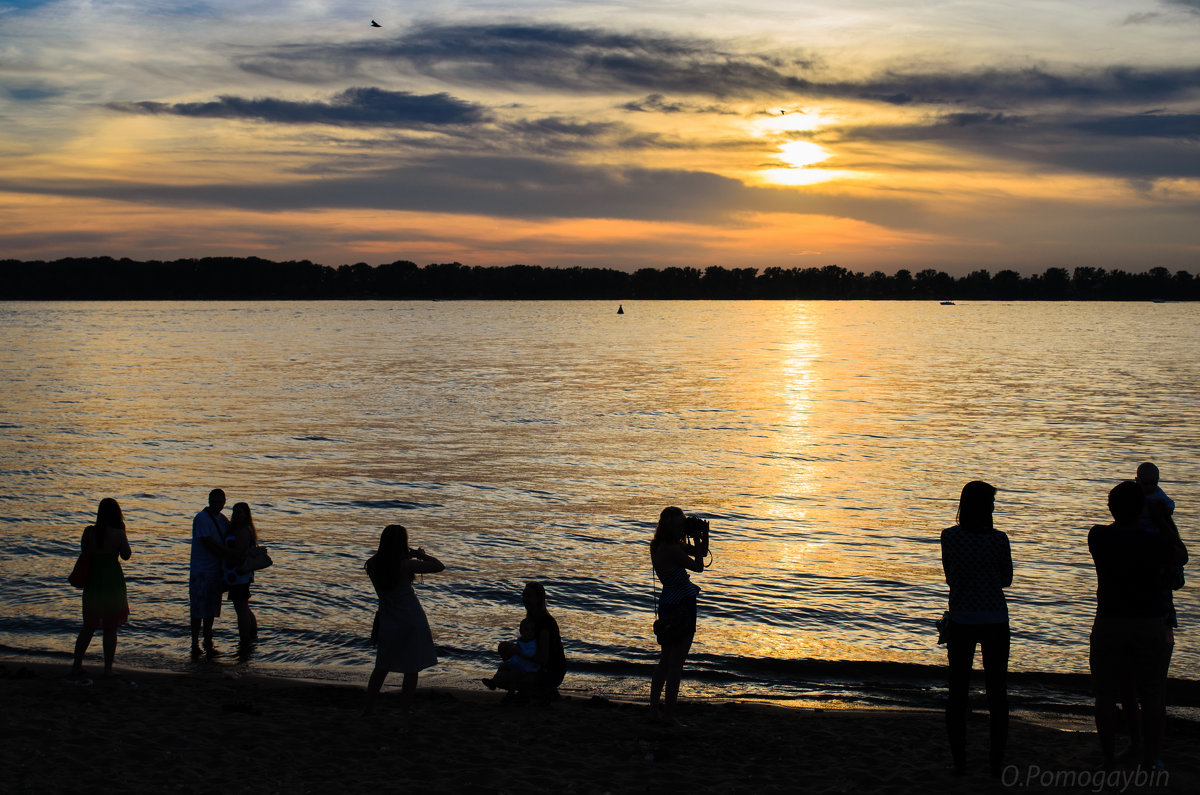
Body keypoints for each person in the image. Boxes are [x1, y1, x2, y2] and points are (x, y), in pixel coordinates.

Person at [1089, 480, 1187, 771]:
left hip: (1109, 622)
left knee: (1106, 695)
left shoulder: (1098, 537)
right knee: (1153, 694)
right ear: (1142, 509)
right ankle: (1151, 759)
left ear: (1111, 509)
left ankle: (1109, 757)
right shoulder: (1154, 541)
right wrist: (1164, 519)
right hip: (1150, 624)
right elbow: (1181, 554)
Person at [940, 481, 1012, 776]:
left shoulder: (949, 537)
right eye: (991, 504)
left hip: (961, 619)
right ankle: (996, 762)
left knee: (958, 692)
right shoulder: (999, 539)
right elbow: (1006, 579)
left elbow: (949, 577)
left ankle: (960, 763)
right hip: (995, 619)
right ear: (985, 508)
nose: (994, 508)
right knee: (997, 693)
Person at [1117, 463, 1185, 762]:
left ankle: (1137, 745)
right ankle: (1150, 754)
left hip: (1124, 619)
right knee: (1153, 691)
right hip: (1159, 619)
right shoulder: (1162, 540)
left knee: (1130, 688)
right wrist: (1168, 528)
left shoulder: (1114, 538)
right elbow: (1177, 578)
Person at [363, 524, 444, 714]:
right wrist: (420, 555)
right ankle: (404, 710)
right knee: (411, 667)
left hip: (388, 617)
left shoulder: (372, 564)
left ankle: (368, 708)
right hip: (411, 617)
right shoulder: (404, 564)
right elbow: (439, 566)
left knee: (381, 666)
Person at [649, 506, 708, 725]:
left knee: (665, 662)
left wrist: (700, 537)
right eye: (678, 525)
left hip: (667, 604)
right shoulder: (672, 549)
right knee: (676, 664)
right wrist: (699, 538)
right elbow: (699, 565)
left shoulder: (658, 545)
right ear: (668, 526)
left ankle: (654, 711)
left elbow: (697, 552)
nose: (681, 528)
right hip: (682, 606)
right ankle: (669, 716)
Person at [71, 498, 132, 679]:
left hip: (93, 582)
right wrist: (123, 532)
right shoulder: (118, 534)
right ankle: (107, 669)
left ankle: (76, 666)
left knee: (88, 627)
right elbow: (126, 555)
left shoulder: (89, 532)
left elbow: (85, 552)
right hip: (112, 583)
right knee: (110, 628)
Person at [484, 582, 567, 698]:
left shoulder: (545, 623)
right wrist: (515, 649)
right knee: (503, 647)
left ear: (538, 599)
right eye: (523, 595)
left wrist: (519, 652)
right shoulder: (531, 619)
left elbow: (543, 659)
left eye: (529, 596)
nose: (524, 599)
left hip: (550, 671)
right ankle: (527, 687)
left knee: (500, 679)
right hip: (533, 663)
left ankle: (542, 689)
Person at [190, 488, 230, 656]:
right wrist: (229, 554)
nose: (217, 505)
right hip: (201, 569)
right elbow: (208, 542)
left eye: (220, 502)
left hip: (216, 570)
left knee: (211, 609)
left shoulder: (223, 520)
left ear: (224, 503)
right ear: (209, 501)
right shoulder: (201, 518)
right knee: (198, 608)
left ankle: (207, 638)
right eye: (214, 501)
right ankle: (194, 641)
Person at [223, 502, 260, 649]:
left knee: (241, 609)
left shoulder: (243, 531)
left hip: (239, 575)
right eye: (235, 512)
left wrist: (219, 548)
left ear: (246, 514)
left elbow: (238, 553)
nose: (237, 515)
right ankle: (251, 638)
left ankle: (244, 641)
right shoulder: (241, 529)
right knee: (244, 607)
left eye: (240, 512)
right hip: (238, 575)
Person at [481, 617, 541, 689]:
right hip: (517, 661)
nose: (530, 632)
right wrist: (514, 648)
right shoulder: (521, 640)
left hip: (526, 666)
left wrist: (520, 651)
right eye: (527, 630)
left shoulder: (533, 643)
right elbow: (518, 648)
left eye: (532, 630)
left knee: (514, 674)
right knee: (502, 666)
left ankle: (511, 692)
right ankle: (493, 681)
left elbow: (531, 654)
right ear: (521, 631)